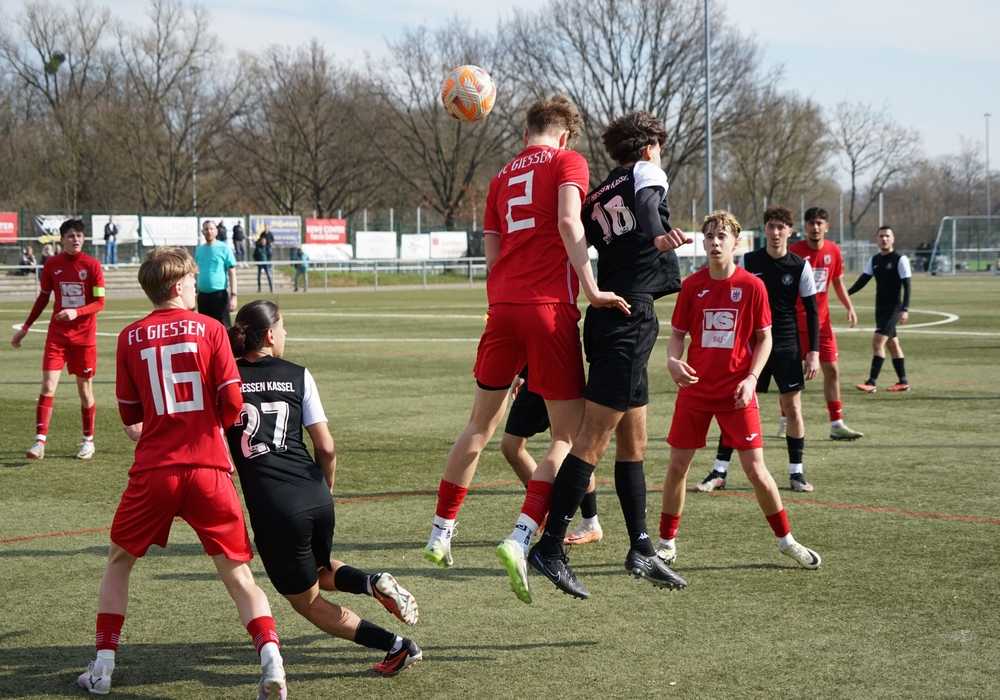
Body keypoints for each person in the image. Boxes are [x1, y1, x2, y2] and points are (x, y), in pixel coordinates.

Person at [421, 95, 628, 607]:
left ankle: (440, 533)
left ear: (525, 134)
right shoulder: (567, 161)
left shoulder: (499, 177)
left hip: (502, 307)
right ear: (564, 135)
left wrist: (504, 301)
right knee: (568, 434)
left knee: (478, 426)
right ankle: (521, 536)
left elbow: (492, 253)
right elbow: (568, 222)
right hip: (548, 307)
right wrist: (593, 286)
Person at [78, 247, 287, 698]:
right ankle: (271, 658)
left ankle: (102, 668)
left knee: (119, 562)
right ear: (178, 287)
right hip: (209, 467)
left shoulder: (129, 336)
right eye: (192, 281)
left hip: (155, 469)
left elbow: (131, 416)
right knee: (239, 577)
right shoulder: (211, 328)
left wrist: (153, 428)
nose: (196, 286)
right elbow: (232, 405)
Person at [527, 110, 691, 599]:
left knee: (633, 443)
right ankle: (549, 546)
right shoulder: (646, 170)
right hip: (629, 318)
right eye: (658, 148)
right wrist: (657, 233)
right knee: (590, 441)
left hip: (608, 316)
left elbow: (578, 236)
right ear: (647, 148)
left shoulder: (597, 192)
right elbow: (645, 202)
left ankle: (640, 546)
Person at [226, 300, 422, 676]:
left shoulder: (227, 377)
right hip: (315, 491)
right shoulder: (299, 374)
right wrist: (325, 486)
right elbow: (327, 446)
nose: (286, 335)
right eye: (283, 328)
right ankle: (371, 582)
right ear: (269, 336)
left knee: (308, 602)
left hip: (274, 506)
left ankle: (397, 646)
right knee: (318, 570)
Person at [655, 210, 821, 572]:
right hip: (695, 391)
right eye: (709, 236)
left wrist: (751, 378)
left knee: (756, 471)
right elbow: (677, 336)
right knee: (677, 468)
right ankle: (666, 544)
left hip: (736, 393)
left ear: (735, 243)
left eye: (722, 237)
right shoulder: (692, 285)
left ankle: (786, 541)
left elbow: (765, 339)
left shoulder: (752, 285)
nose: (715, 242)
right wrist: (672, 361)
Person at [695, 204, 821, 493]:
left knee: (792, 408)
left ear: (790, 231)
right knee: (734, 404)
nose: (775, 232)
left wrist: (812, 352)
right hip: (752, 345)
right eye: (770, 226)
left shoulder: (800, 265)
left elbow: (812, 311)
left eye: (781, 227)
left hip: (787, 344)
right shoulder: (749, 261)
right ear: (764, 230)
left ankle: (796, 473)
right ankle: (719, 472)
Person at [11, 219, 105, 461]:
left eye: (79, 236)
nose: (76, 239)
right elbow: (43, 298)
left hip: (84, 339)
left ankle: (88, 441)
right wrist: (26, 327)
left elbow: (100, 302)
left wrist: (77, 312)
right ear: (62, 239)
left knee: (85, 392)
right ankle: (39, 442)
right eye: (71, 235)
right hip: (57, 336)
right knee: (47, 386)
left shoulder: (93, 266)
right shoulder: (51, 264)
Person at [500, 367, 603, 545]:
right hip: (536, 375)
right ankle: (542, 510)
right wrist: (525, 372)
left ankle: (590, 523)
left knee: (573, 447)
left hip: (562, 374)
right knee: (511, 445)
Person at [786, 207, 863, 441]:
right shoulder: (794, 251)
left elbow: (837, 282)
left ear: (826, 226)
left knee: (832, 370)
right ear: (805, 227)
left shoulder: (833, 251)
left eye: (819, 222)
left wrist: (849, 306)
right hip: (794, 323)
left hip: (822, 325)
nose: (815, 227)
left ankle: (836, 423)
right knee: (790, 373)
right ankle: (784, 421)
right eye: (811, 223)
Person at [849, 226, 912, 392]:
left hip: (893, 309)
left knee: (877, 343)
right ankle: (903, 381)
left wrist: (904, 309)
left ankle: (871, 382)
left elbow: (907, 286)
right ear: (877, 239)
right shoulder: (875, 260)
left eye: (887, 236)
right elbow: (863, 280)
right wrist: (846, 294)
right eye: (881, 236)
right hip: (880, 308)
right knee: (892, 344)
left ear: (893, 239)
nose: (884, 239)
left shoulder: (900, 259)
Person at [194, 220, 238, 327]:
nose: (209, 231)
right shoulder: (198, 251)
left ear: (216, 231)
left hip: (219, 296)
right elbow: (195, 272)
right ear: (202, 232)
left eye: (211, 229)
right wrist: (194, 291)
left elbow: (232, 272)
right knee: (204, 329)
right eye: (206, 229)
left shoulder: (224, 248)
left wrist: (234, 296)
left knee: (224, 328)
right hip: (203, 296)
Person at [254, 226, 274, 293]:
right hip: (260, 263)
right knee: (259, 277)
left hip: (266, 263)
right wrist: (256, 261)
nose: (263, 242)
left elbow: (270, 255)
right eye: (262, 241)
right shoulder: (258, 247)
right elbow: (255, 255)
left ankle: (271, 289)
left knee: (268, 275)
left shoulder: (267, 247)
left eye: (264, 241)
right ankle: (259, 289)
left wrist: (269, 261)